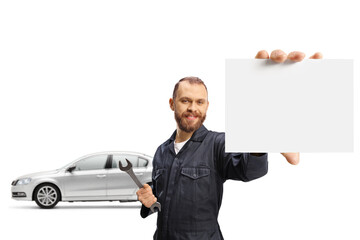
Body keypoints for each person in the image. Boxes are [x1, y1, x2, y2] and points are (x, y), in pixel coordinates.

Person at [137, 50, 323, 240]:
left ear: (207, 106)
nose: (193, 107)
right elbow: (163, 198)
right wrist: (148, 201)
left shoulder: (217, 144)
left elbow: (248, 169)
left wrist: (262, 132)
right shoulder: (161, 151)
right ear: (172, 104)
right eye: (185, 101)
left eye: (199, 102)